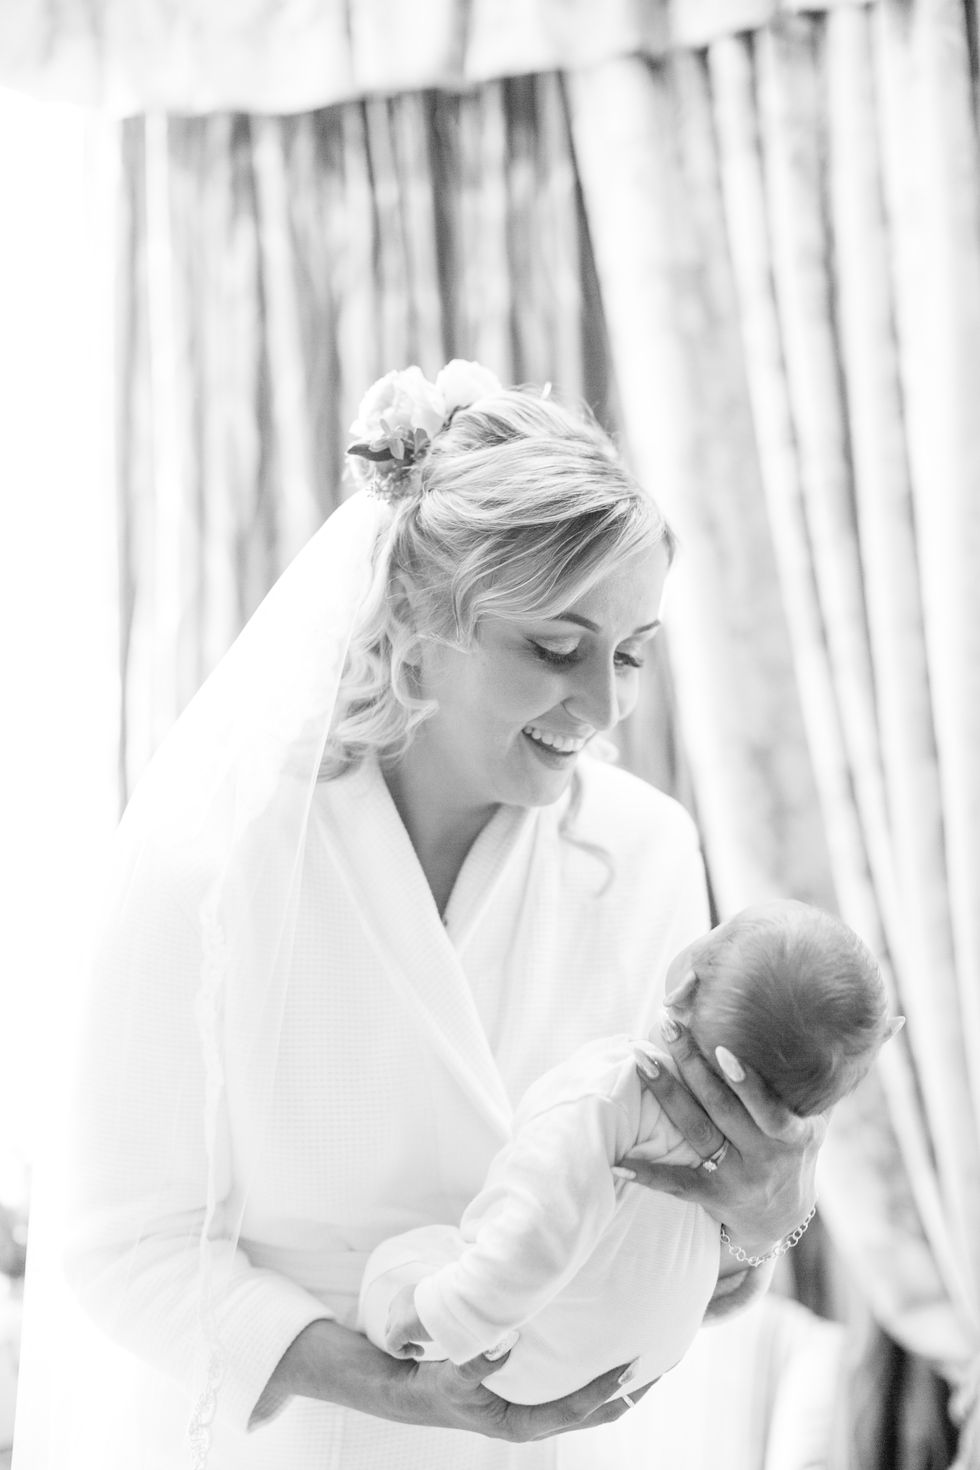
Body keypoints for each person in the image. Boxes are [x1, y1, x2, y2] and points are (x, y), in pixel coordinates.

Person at [14, 362, 825, 1470]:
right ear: (413, 620)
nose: (605, 706)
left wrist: (759, 1221)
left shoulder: (648, 855)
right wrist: (396, 1389)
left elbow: (669, 1245)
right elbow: (123, 1244)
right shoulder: (215, 862)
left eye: (631, 652)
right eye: (555, 648)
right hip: (287, 1442)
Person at [359, 900, 904, 1406]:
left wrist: (446, 1313)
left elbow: (538, 1232)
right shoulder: (733, 1158)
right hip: (627, 1366)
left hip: (520, 1355)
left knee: (399, 1264)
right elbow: (714, 1284)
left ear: (686, 984)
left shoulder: (607, 1094)